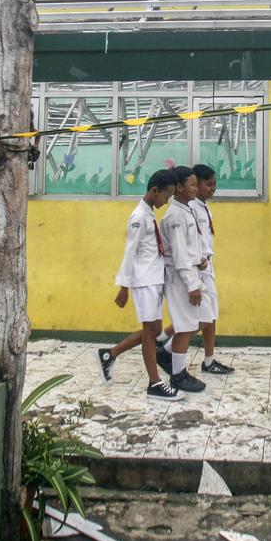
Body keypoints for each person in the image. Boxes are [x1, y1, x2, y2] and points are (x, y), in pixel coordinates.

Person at [97, 169, 182, 401]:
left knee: (154, 331)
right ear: (154, 191)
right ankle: (154, 384)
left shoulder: (148, 214)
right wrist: (123, 286)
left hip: (154, 280)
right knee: (149, 333)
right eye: (166, 196)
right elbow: (130, 252)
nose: (166, 202)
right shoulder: (138, 217)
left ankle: (110, 354)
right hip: (144, 282)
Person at [158, 165, 206, 393]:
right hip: (180, 278)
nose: (196, 189)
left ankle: (169, 357)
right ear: (178, 188)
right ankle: (177, 376)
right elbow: (178, 254)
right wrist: (191, 284)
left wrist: (201, 259)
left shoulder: (186, 210)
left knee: (189, 324)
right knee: (185, 326)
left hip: (189, 272)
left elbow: (189, 247)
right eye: (192, 185)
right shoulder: (175, 216)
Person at [189, 163, 234, 375]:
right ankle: (165, 345)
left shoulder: (204, 207)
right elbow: (189, 242)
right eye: (208, 185)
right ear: (195, 185)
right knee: (202, 317)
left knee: (211, 314)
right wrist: (199, 262)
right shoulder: (190, 208)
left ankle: (209, 360)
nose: (213, 189)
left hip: (207, 264)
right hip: (197, 267)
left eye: (214, 184)